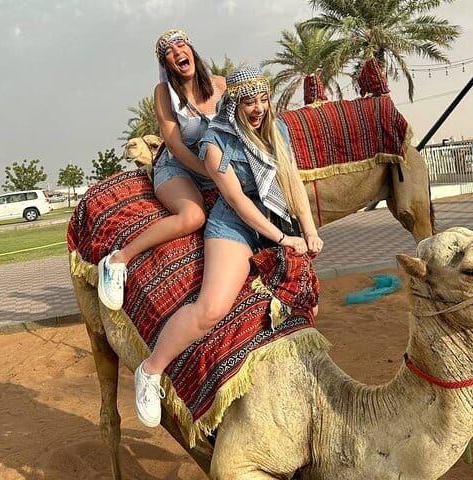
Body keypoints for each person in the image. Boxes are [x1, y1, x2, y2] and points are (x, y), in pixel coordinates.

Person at [133, 65, 324, 427]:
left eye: (263, 99)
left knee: (306, 298)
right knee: (212, 308)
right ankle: (151, 370)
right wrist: (283, 239)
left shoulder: (277, 129)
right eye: (249, 102)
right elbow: (237, 201)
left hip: (277, 217)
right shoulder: (214, 143)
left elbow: (291, 180)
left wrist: (309, 229)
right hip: (236, 223)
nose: (258, 108)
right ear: (234, 103)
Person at [97, 29, 226, 310]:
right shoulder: (164, 93)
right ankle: (118, 259)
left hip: (216, 164)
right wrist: (212, 174)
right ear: (166, 64)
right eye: (169, 52)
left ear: (191, 49)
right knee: (193, 216)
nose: (177, 52)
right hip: (179, 166)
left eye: (180, 45)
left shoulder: (220, 85)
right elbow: (175, 144)